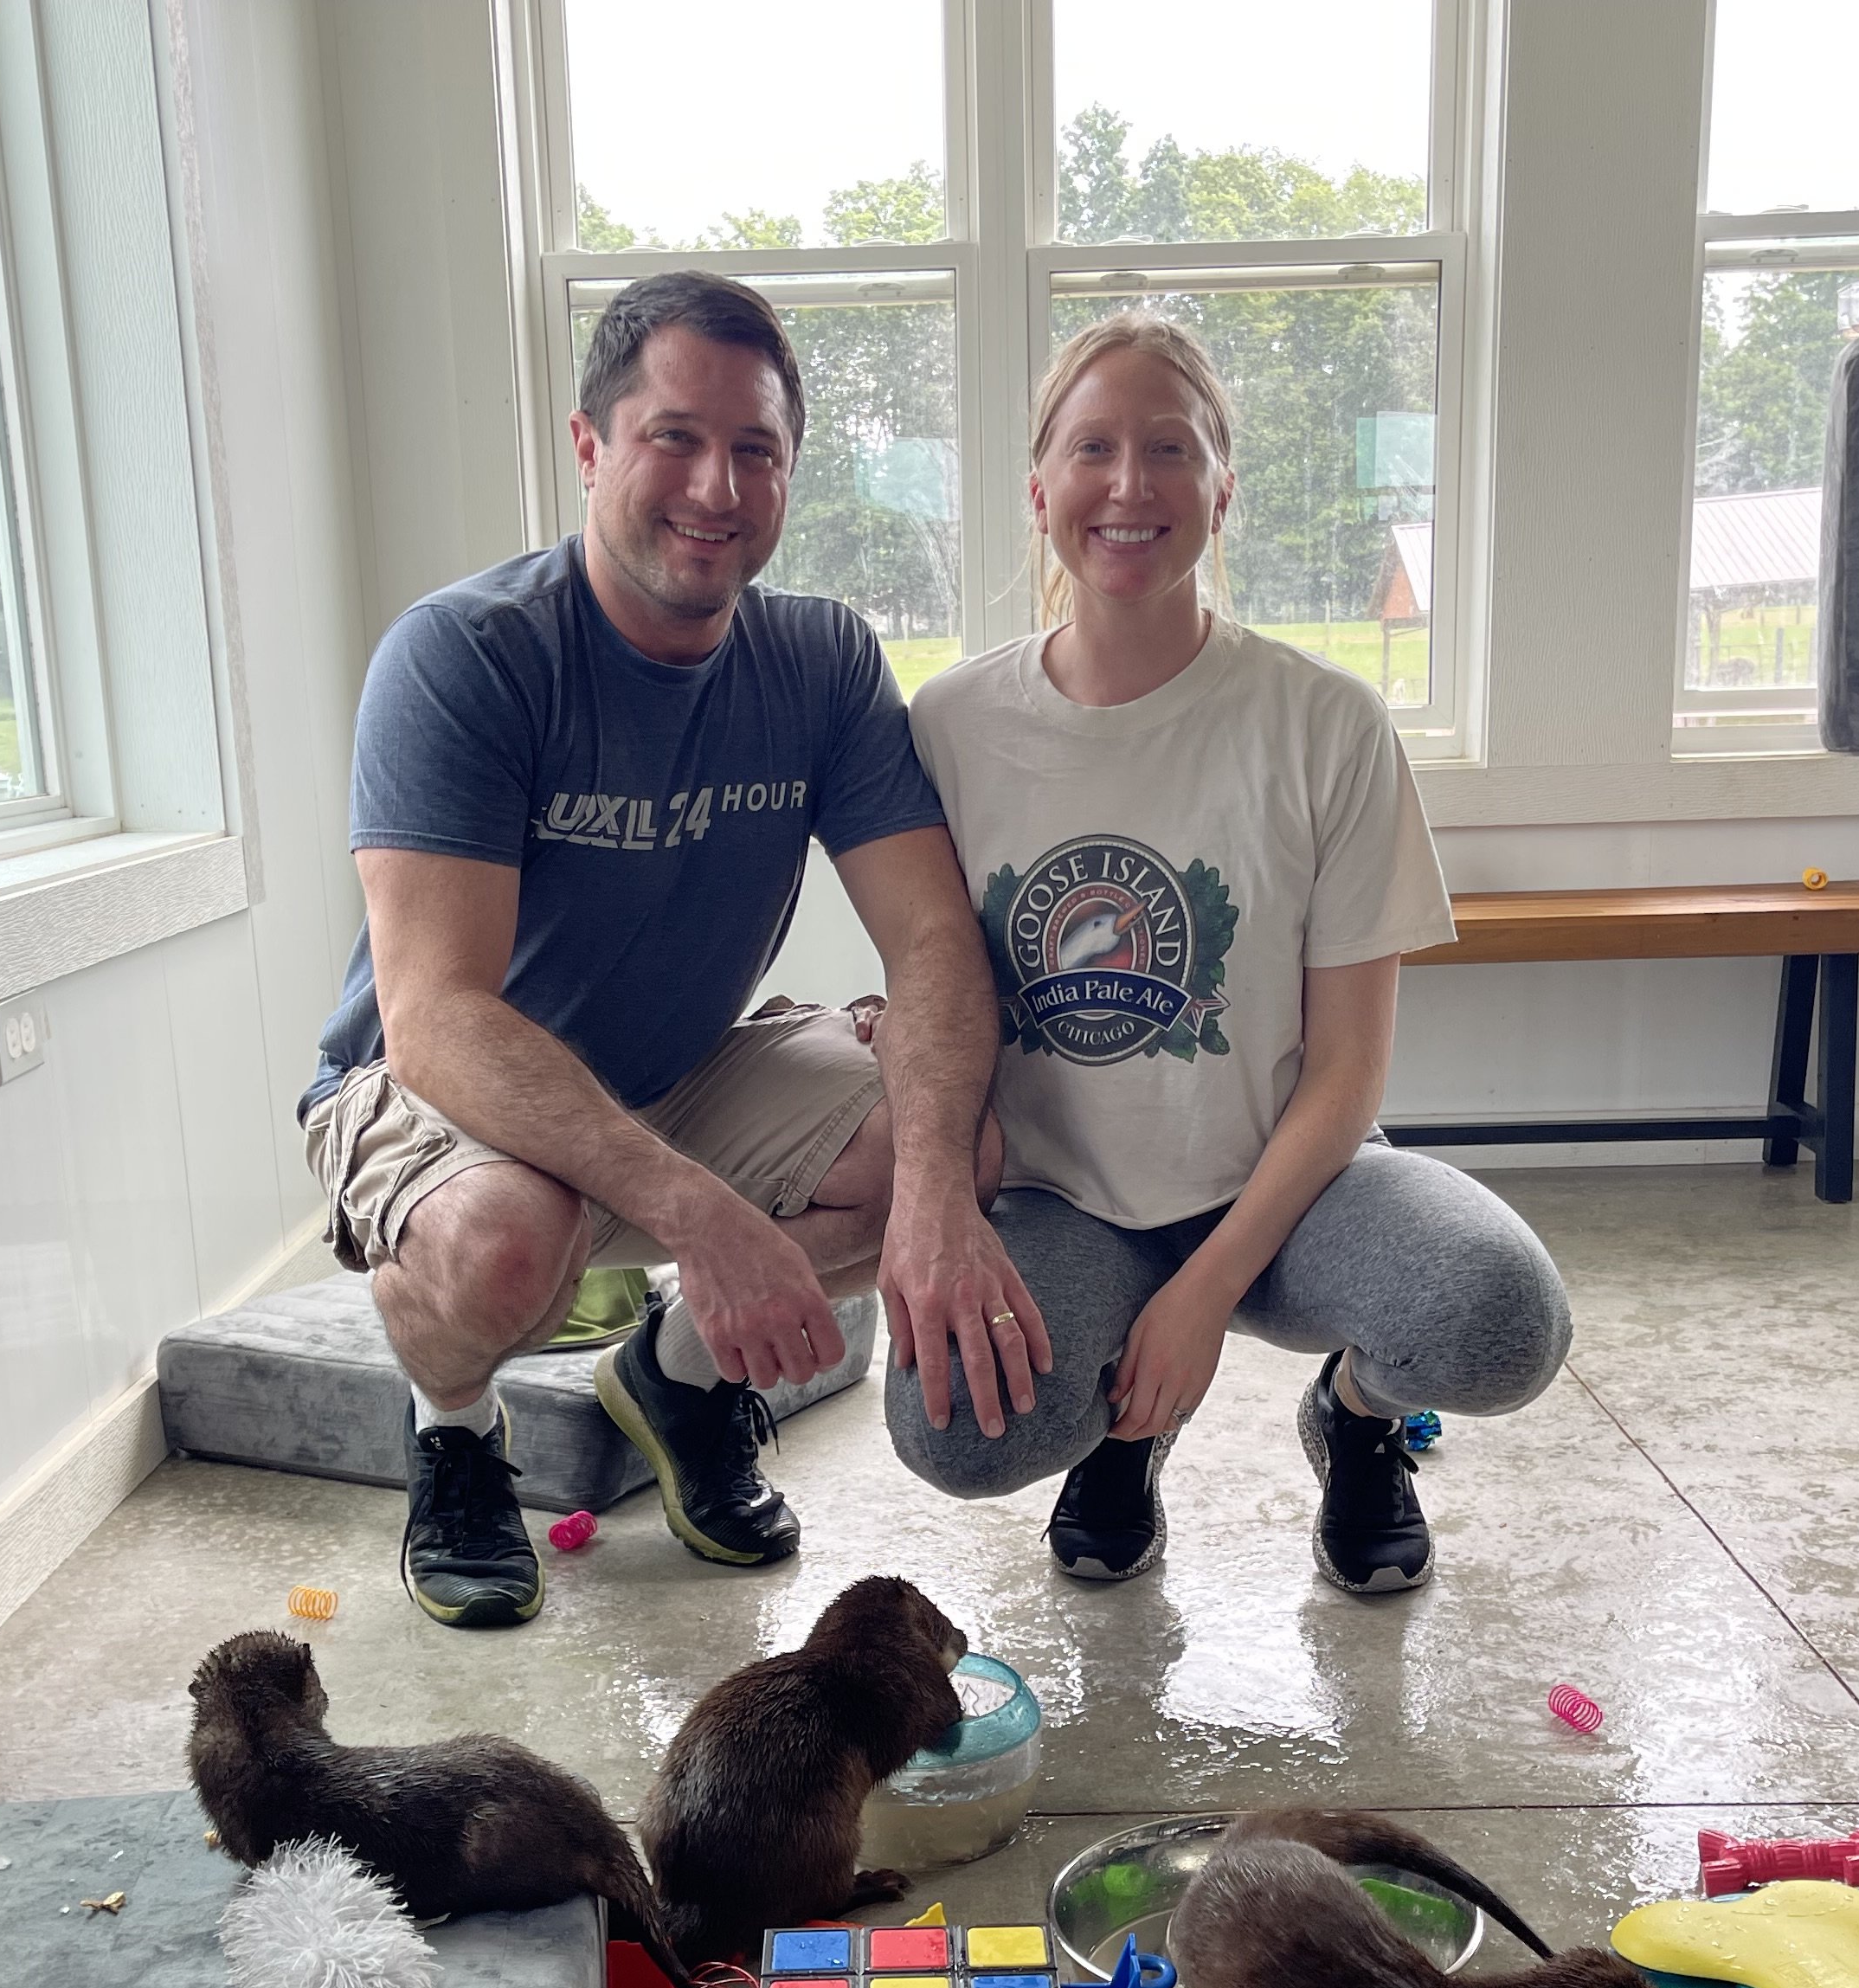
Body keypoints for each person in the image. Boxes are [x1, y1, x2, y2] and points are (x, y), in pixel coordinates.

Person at [303, 272, 1045, 1630]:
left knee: (956, 1146)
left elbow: (934, 937)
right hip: (444, 1092)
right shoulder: (466, 657)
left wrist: (936, 1193)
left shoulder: (820, 660)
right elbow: (436, 1016)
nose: (716, 486)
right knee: (507, 1249)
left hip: (686, 1064)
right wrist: (707, 1219)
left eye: (755, 450)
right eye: (675, 438)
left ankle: (679, 1378)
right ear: (590, 448)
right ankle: (455, 1432)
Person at [884, 312, 1570, 1594]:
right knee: (954, 1429)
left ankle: (1358, 1421)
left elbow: (1350, 1072)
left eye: (1170, 449)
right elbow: (927, 990)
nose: (1130, 485)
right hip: (1065, 1199)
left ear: (1222, 487)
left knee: (1499, 1321)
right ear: (1040, 491)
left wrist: (1202, 1297)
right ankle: (1117, 1432)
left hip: (1291, 1184)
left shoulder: (1325, 724)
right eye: (1094, 448)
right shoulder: (951, 724)